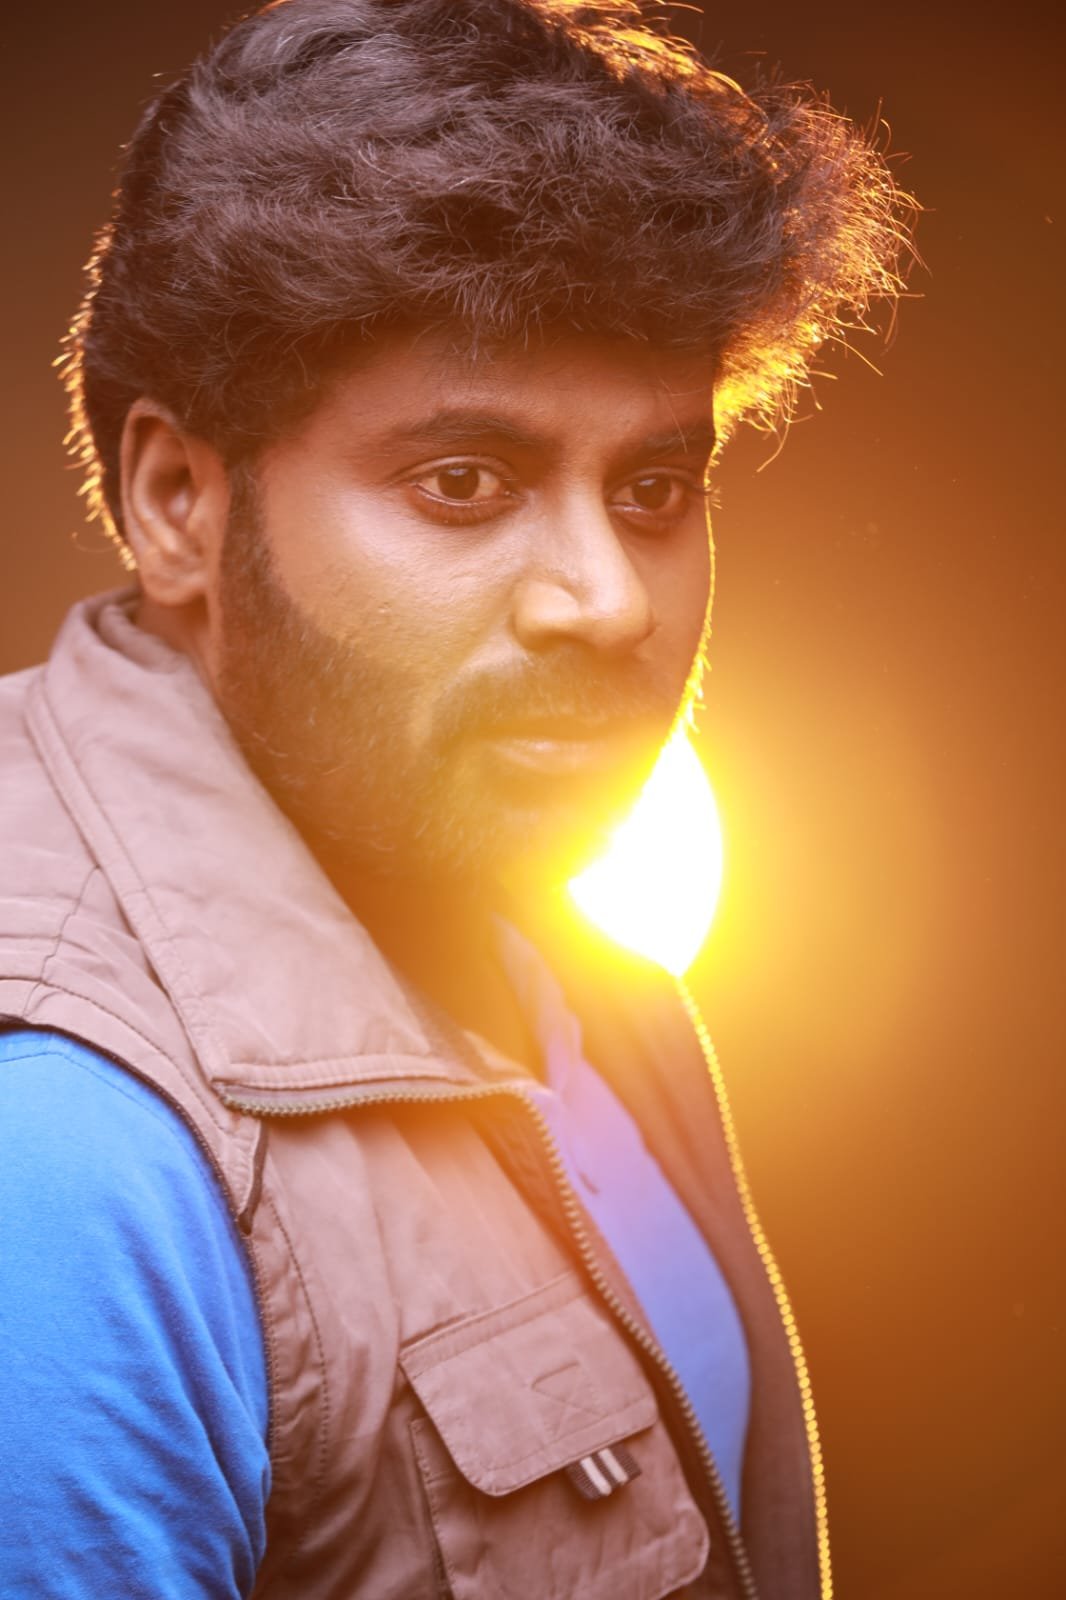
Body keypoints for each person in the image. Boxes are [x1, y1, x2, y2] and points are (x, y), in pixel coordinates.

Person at [0, 2, 911, 1595]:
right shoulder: (64, 1158)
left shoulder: (554, 925)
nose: (604, 603)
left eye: (652, 489)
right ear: (176, 501)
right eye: (464, 483)